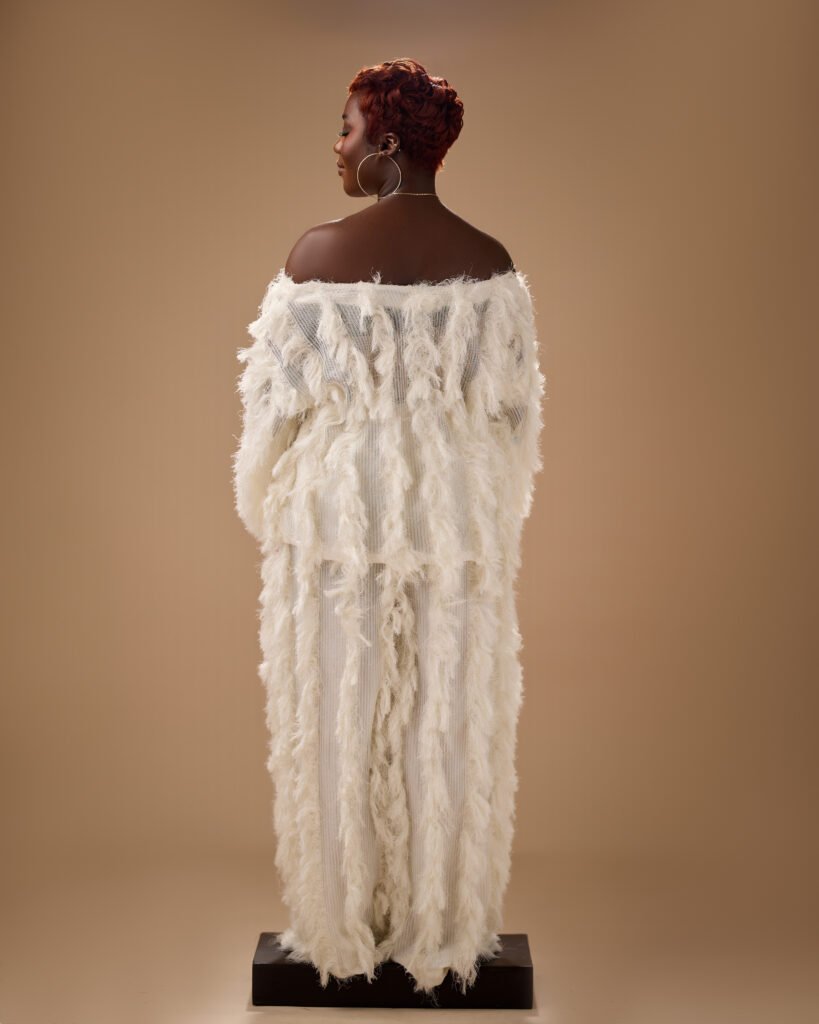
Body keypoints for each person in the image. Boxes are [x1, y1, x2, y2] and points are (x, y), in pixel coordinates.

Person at [233, 57, 545, 996]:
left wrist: (262, 500)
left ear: (389, 141)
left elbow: (270, 411)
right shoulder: (489, 263)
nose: (336, 146)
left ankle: (339, 928)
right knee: (444, 713)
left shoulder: (315, 257)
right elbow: (513, 414)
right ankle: (439, 927)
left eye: (347, 129)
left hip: (333, 515)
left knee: (338, 707)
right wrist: (485, 502)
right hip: (452, 518)